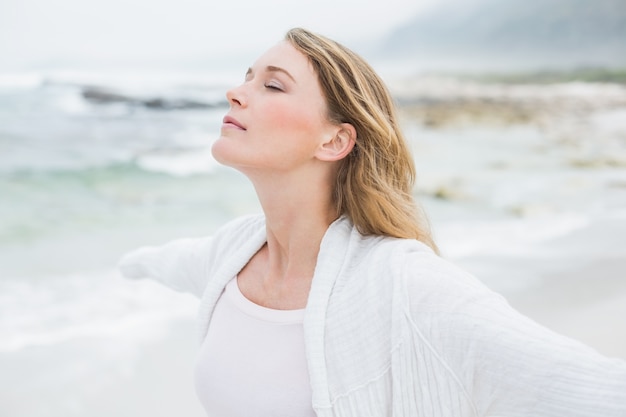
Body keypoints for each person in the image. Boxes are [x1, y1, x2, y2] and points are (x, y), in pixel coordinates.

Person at [118, 28, 626, 417]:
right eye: (247, 76)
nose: (236, 92)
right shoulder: (232, 253)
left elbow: (582, 385)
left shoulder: (404, 285)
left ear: (334, 141)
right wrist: (130, 264)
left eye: (273, 84)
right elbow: (171, 262)